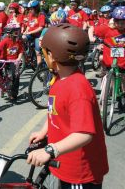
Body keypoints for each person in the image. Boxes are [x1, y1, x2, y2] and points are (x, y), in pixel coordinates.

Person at [27, 23, 108, 188]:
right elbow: (54, 110)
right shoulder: (59, 78)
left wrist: (49, 151)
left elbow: (84, 134)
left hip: (80, 172)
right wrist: (44, 131)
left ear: (51, 56)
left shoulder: (78, 89)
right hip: (65, 159)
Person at [0, 25, 23, 100]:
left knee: (15, 75)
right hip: (5, 60)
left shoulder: (19, 41)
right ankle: (1, 83)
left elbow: (21, 51)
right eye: (16, 32)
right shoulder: (6, 40)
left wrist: (18, 58)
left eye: (18, 31)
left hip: (14, 61)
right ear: (10, 33)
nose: (17, 33)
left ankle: (14, 93)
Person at [89, 6, 125, 78]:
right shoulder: (107, 28)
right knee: (102, 59)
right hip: (109, 55)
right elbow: (92, 28)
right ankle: (104, 71)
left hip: (122, 58)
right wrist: (91, 37)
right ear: (114, 21)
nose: (121, 25)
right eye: (118, 22)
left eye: (123, 23)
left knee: (123, 78)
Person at [23, 0, 46, 67]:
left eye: (31, 9)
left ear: (36, 9)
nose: (29, 10)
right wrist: (26, 32)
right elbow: (28, 26)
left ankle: (39, 68)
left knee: (38, 52)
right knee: (21, 38)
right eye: (29, 9)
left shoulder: (41, 16)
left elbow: (41, 28)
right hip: (30, 34)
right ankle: (25, 54)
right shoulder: (30, 15)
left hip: (38, 36)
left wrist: (30, 32)